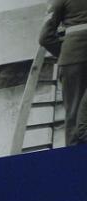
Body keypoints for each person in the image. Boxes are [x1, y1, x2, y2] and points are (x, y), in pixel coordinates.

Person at [39, 0, 87, 145]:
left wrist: (66, 53)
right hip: (74, 59)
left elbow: (45, 37)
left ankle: (74, 157)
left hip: (74, 59)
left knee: (74, 117)